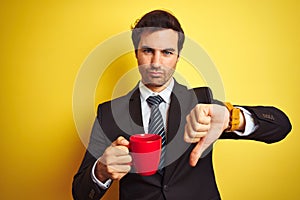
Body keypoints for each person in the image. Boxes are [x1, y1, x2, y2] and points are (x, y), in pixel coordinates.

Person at [72, 10, 292, 200]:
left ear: (177, 57)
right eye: (148, 51)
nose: (156, 62)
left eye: (167, 52)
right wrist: (100, 171)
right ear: (136, 53)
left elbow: (281, 126)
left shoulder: (201, 103)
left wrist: (231, 118)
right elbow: (80, 193)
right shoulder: (109, 113)